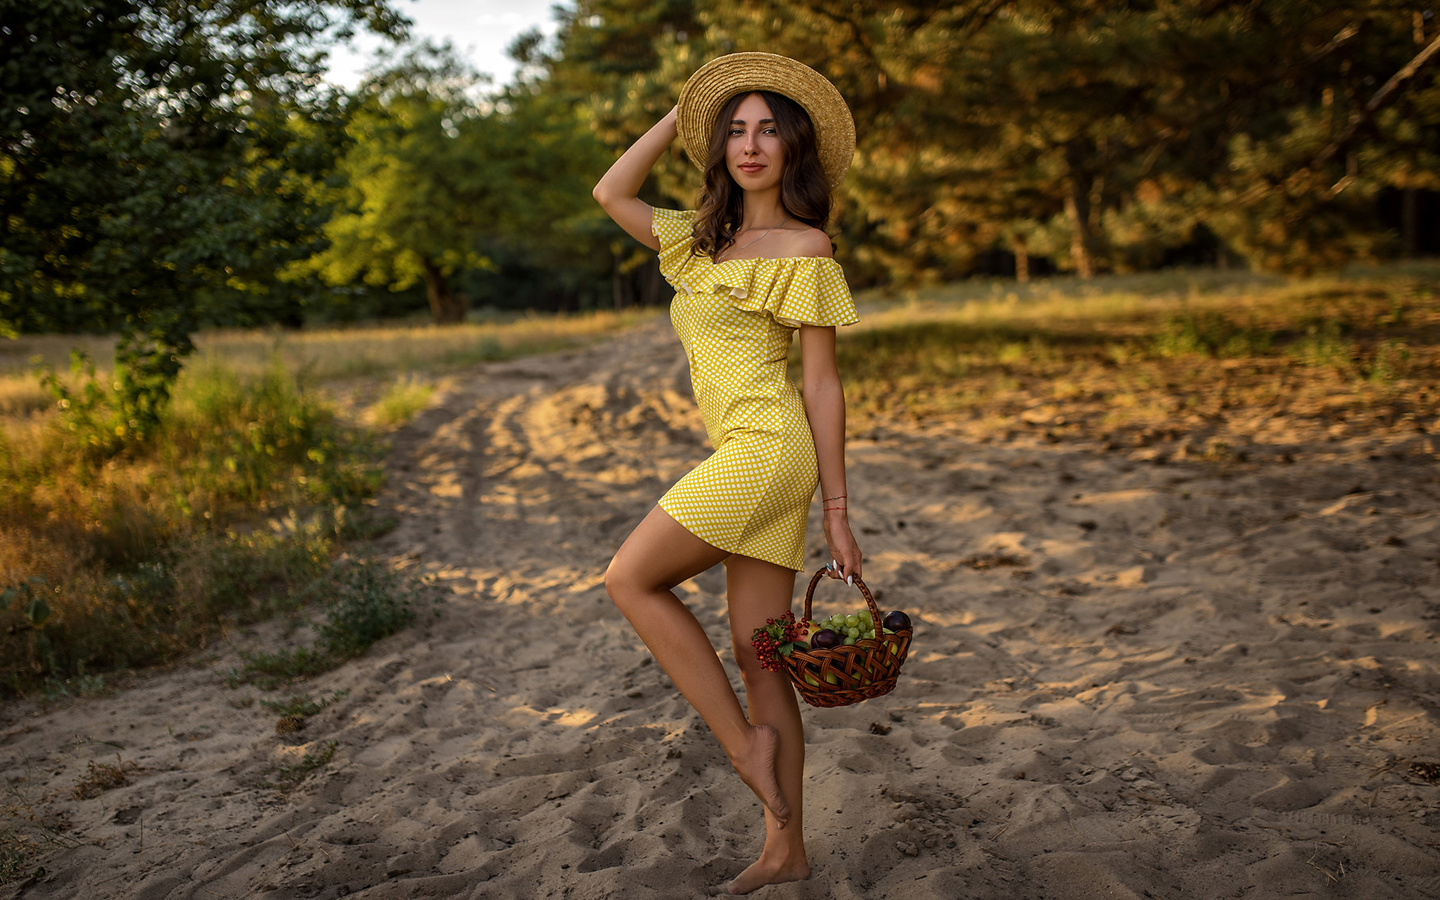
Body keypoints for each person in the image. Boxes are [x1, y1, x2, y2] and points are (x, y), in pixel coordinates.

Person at [593, 52, 861, 896]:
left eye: (767, 130)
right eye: (735, 130)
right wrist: (685, 109)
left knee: (629, 578)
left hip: (770, 450)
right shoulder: (695, 241)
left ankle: (749, 750)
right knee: (761, 656)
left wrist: (839, 509)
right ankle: (788, 849)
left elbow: (820, 380)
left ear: (792, 148)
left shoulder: (805, 246)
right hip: (739, 452)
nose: (750, 146)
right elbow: (611, 191)